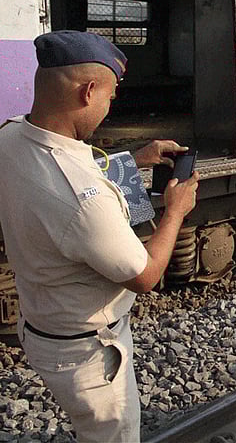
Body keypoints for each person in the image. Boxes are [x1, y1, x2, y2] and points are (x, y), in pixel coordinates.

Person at [0, 30, 199, 442]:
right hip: (87, 353)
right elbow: (144, 276)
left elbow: (65, 174)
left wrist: (134, 160)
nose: (110, 107)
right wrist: (175, 213)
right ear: (89, 91)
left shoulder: (12, 136)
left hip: (41, 325)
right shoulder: (84, 203)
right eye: (109, 97)